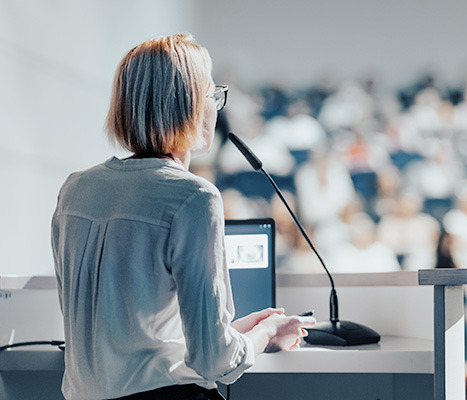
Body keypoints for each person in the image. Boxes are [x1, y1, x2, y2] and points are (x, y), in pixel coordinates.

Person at [51, 34, 315, 400]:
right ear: (188, 105)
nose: (216, 107)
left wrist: (238, 332)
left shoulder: (75, 190)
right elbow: (216, 363)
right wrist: (266, 335)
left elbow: (139, 343)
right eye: (212, 94)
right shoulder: (193, 197)